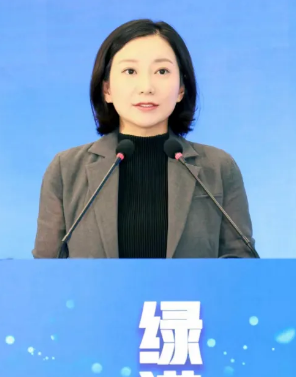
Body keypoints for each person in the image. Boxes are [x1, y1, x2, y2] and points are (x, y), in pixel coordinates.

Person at [32, 19, 257, 259]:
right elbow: (46, 269)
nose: (146, 87)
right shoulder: (66, 170)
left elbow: (241, 264)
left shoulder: (218, 168)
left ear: (181, 88)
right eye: (130, 71)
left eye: (162, 71)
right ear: (107, 89)